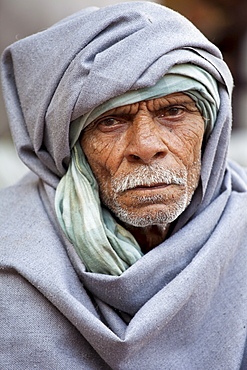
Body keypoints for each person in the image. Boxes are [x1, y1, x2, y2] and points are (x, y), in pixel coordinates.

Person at [1, 2, 247, 369]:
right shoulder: (11, 257)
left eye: (173, 112)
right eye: (111, 120)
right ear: (67, 146)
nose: (146, 146)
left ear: (212, 130)